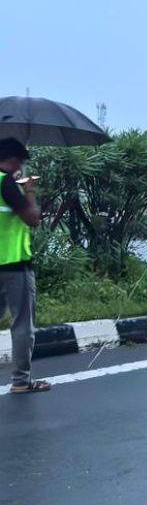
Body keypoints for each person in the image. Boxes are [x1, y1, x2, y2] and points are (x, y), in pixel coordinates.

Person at [0, 138, 48, 393]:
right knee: (22, 325)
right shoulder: (6, 182)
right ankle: (21, 381)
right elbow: (32, 219)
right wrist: (29, 190)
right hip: (14, 264)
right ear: (15, 160)